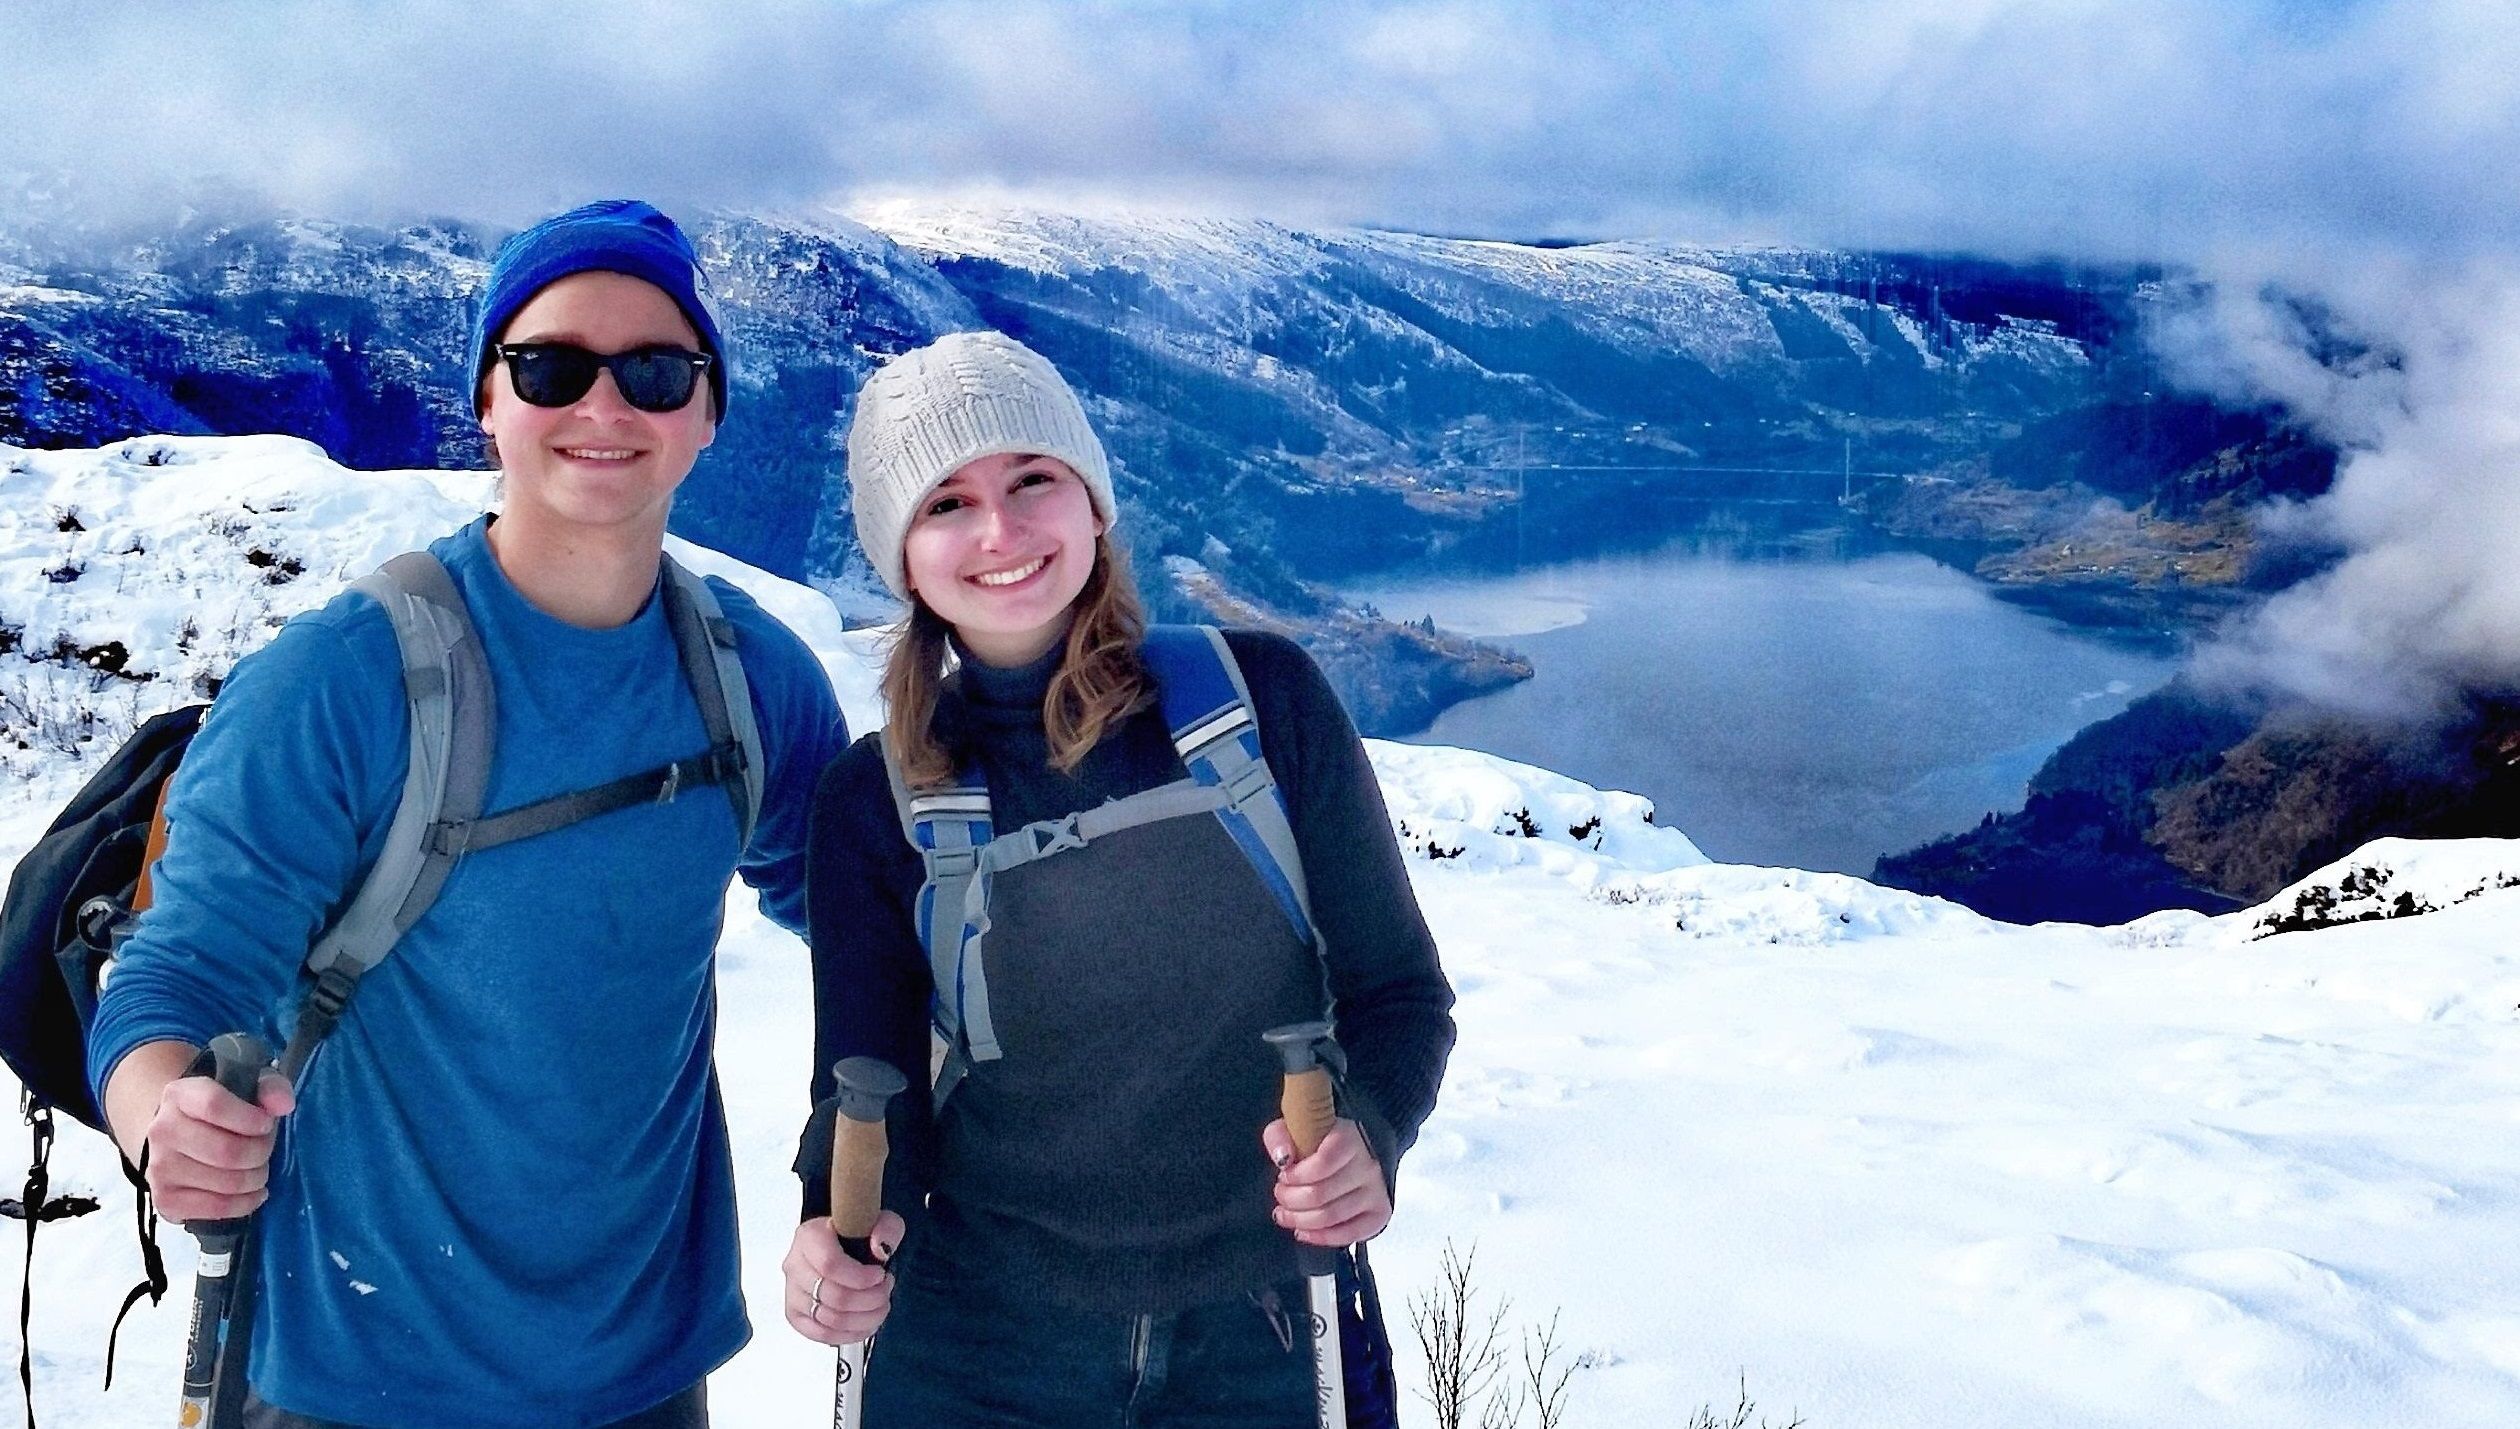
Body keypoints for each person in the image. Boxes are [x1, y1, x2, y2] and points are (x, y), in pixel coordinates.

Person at [86, 200, 847, 1428]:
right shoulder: (340, 686)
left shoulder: (753, 680)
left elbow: (875, 920)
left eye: (656, 372)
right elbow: (175, 979)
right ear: (489, 400)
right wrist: (160, 1114)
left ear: (707, 415)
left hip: (644, 1372)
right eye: (552, 366)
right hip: (351, 1368)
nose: (605, 408)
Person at [786, 330, 1455, 1425]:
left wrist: (1370, 1136)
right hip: (978, 1345)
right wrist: (834, 1222)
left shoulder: (1266, 705)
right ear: (900, 556)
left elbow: (1397, 996)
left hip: (1270, 1332)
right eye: (945, 503)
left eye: (1033, 479)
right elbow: (869, 1093)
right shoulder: (877, 803)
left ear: (1093, 503)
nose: (999, 531)